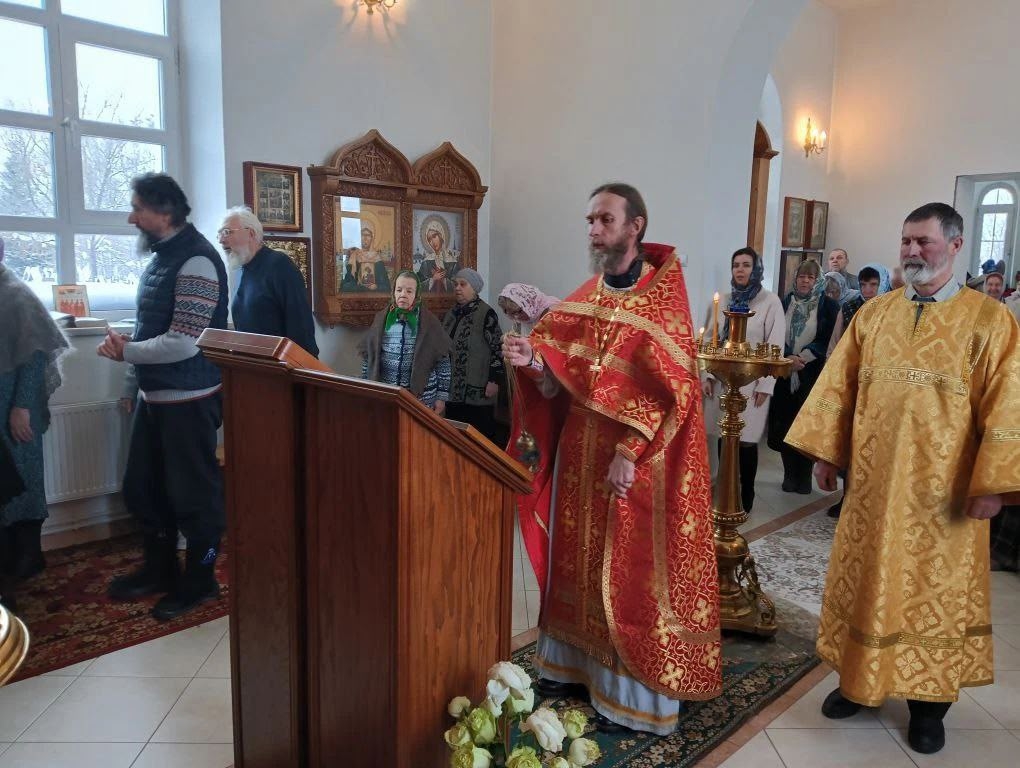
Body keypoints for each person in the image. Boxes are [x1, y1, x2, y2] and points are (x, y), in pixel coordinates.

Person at [785, 202, 1020, 756]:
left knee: (930, 595)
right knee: (866, 582)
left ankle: (927, 706)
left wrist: (992, 484)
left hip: (944, 501)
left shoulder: (990, 321)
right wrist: (828, 454)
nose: (913, 251)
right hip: (871, 489)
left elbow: (1008, 406)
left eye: (924, 241)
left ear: (955, 245)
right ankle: (859, 683)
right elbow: (840, 388)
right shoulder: (875, 314)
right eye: (906, 240)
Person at [502, 183, 720, 735]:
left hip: (638, 464)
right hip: (580, 455)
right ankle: (569, 668)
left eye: (604, 220)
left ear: (635, 226)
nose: (594, 231)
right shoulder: (589, 296)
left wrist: (629, 450)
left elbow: (673, 392)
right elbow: (560, 380)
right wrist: (532, 362)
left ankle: (629, 696)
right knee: (575, 562)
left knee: (628, 575)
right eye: (590, 221)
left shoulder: (662, 301)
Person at [97, 173, 229, 622]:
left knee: (194, 498)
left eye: (138, 209)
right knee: (144, 489)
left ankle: (201, 579)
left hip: (189, 398)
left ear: (165, 211)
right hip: (156, 397)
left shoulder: (198, 261)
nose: (131, 218)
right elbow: (151, 328)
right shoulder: (164, 258)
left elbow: (185, 342)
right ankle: (160, 569)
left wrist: (127, 353)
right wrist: (131, 378)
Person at [0, 236, 69, 589]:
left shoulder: (15, 294)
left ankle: (27, 558)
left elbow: (36, 355)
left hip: (14, 410)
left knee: (23, 481)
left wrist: (22, 407)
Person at [702, 247, 785, 513]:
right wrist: (707, 375)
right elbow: (709, 340)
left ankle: (746, 492)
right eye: (736, 265)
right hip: (722, 379)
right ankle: (725, 487)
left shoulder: (770, 302)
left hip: (753, 381)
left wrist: (767, 385)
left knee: (746, 439)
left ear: (756, 269)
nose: (740, 269)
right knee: (724, 434)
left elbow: (775, 344)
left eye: (746, 265)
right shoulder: (722, 301)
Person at [766, 259, 838, 494]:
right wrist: (788, 356)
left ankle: (804, 476)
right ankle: (789, 475)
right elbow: (775, 333)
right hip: (785, 372)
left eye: (810, 277)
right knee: (785, 424)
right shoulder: (784, 302)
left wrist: (804, 357)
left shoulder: (828, 306)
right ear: (795, 279)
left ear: (818, 281)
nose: (805, 281)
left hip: (811, 373)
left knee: (806, 425)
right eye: (801, 277)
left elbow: (828, 337)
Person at [823, 265, 886, 518]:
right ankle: (847, 497)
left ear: (881, 285)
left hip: (879, 386)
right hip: (853, 381)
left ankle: (871, 500)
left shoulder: (889, 309)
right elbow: (837, 342)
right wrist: (832, 372)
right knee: (850, 442)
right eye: (863, 285)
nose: (868, 290)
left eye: (873, 285)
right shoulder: (849, 308)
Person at [218, 206, 319, 357]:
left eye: (227, 232)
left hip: (281, 366)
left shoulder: (279, 265)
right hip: (252, 365)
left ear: (251, 233)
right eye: (220, 234)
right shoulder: (241, 270)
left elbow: (300, 326)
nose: (221, 240)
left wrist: (302, 368)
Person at [360, 270, 451, 412]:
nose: (403, 294)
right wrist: (366, 387)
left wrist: (441, 397)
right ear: (393, 292)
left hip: (423, 398)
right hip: (388, 396)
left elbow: (443, 361)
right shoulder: (381, 320)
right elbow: (369, 358)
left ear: (417, 295)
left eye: (409, 291)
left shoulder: (430, 322)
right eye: (399, 290)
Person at [442, 268, 503, 441]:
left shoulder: (486, 313)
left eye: (463, 284)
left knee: (479, 438)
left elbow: (497, 348)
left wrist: (494, 380)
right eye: (456, 284)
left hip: (478, 389)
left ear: (474, 288)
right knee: (456, 436)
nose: (457, 288)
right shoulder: (452, 313)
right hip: (453, 389)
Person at [497, 283, 561, 335]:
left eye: (520, 311)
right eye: (512, 314)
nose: (517, 317)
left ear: (528, 304)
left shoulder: (551, 313)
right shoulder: (520, 316)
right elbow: (518, 335)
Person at [418, 221, 459, 293]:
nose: (432, 242)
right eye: (429, 240)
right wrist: (433, 279)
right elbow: (418, 286)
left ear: (441, 235)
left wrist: (444, 281)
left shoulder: (453, 262)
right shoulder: (426, 262)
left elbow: (459, 286)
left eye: (434, 236)